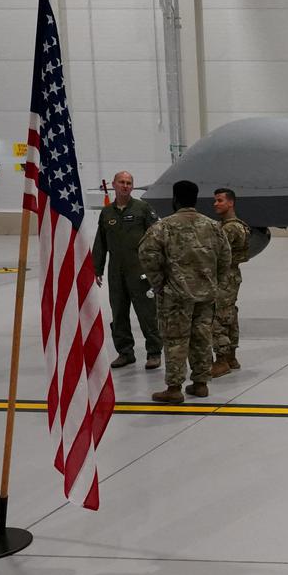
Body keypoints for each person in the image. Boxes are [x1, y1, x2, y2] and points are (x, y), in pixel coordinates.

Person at [138, 180, 231, 404]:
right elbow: (226, 257)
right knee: (201, 338)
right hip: (206, 294)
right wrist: (214, 283)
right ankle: (200, 384)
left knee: (176, 340)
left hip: (176, 296)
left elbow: (146, 254)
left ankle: (174, 387)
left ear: (175, 199)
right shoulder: (212, 226)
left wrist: (160, 283)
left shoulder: (164, 226)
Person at [93, 170, 161, 370]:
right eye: (121, 182)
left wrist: (156, 267)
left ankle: (154, 352)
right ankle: (125, 352)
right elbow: (100, 243)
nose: (125, 186)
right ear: (113, 184)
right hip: (116, 272)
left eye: (129, 183)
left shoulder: (142, 209)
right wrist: (96, 268)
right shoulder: (107, 213)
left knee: (147, 313)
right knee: (119, 313)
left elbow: (157, 237)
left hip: (140, 272)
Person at [209, 188, 252, 378]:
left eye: (220, 200)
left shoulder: (229, 228)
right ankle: (231, 357)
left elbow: (213, 252)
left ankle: (221, 360)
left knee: (218, 317)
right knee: (230, 315)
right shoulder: (236, 225)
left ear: (231, 203)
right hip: (231, 275)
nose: (215, 204)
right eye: (215, 200)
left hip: (223, 277)